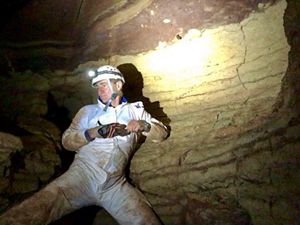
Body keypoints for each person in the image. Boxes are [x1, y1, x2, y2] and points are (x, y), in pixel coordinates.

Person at [0, 65, 169, 225]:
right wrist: (92, 133)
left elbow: (161, 134)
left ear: (118, 84)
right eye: (97, 86)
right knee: (35, 209)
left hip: (115, 184)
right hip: (81, 177)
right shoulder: (88, 111)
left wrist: (144, 126)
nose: (100, 90)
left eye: (104, 84)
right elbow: (66, 141)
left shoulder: (135, 110)